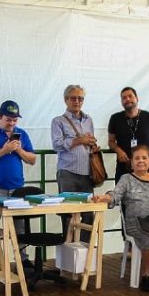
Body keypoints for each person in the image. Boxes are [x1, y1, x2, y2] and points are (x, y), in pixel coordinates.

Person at [92, 144, 149, 291]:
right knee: (148, 238)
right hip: (136, 223)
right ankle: (146, 275)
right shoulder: (126, 179)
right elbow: (115, 195)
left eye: (144, 158)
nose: (141, 161)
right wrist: (104, 197)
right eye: (137, 158)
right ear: (131, 162)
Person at [0, 99, 37, 265]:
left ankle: (22, 258)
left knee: (20, 226)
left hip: (16, 188)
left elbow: (32, 159)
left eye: (14, 120)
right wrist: (4, 150)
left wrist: (18, 149)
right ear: (0, 116)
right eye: (8, 119)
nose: (11, 123)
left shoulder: (21, 134)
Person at [51, 84, 99, 241]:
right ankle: (67, 248)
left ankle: (85, 249)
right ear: (66, 100)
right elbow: (57, 145)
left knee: (88, 214)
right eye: (73, 98)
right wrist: (79, 140)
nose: (77, 101)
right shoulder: (58, 121)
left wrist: (92, 143)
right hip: (67, 173)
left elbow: (89, 141)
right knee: (68, 213)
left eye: (80, 98)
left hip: (87, 173)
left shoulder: (89, 120)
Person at [106, 87, 149, 179]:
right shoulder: (115, 118)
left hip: (145, 170)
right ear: (121, 102)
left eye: (130, 96)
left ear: (137, 98)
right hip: (123, 170)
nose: (127, 99)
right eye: (124, 98)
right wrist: (118, 150)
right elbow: (111, 141)